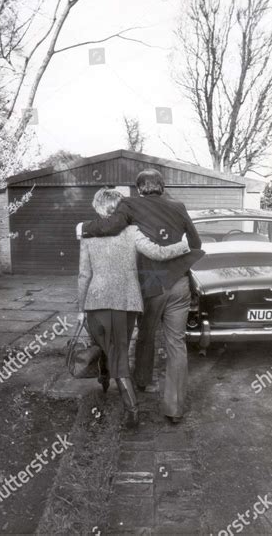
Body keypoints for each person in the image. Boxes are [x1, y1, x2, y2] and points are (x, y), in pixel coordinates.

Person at [79, 170, 204, 424]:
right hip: (179, 283)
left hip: (151, 286)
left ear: (138, 189)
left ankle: (143, 383)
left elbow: (110, 225)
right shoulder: (178, 206)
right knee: (176, 344)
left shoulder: (131, 205)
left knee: (146, 336)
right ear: (163, 187)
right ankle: (175, 408)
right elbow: (195, 241)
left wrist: (83, 228)